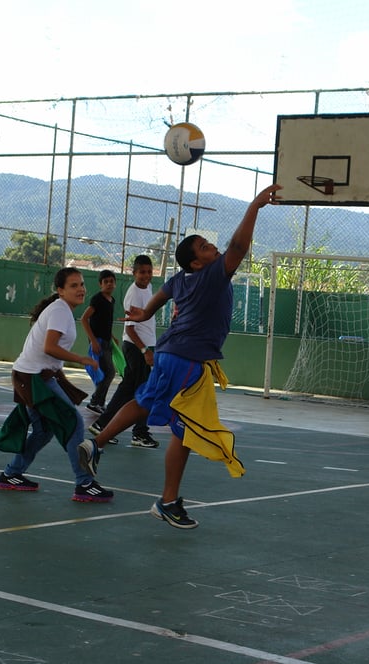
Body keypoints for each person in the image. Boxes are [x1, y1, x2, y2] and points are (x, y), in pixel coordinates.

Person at [78, 184, 282, 529]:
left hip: (171, 354)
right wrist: (255, 206)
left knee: (147, 403)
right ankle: (166, 500)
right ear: (196, 262)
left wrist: (144, 315)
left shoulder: (181, 279)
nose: (212, 247)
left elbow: (161, 295)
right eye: (204, 247)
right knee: (182, 428)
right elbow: (239, 246)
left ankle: (96, 445)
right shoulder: (212, 276)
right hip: (187, 361)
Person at [0, 267, 114, 503]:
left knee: (44, 430)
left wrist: (59, 376)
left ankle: (11, 474)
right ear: (60, 290)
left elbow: (48, 353)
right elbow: (49, 347)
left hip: (33, 375)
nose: (81, 289)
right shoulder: (60, 311)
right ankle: (84, 484)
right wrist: (81, 359)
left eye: (81, 284)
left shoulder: (62, 310)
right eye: (73, 285)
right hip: (32, 377)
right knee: (73, 422)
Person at [89, 255, 159, 449]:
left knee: (128, 389)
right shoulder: (134, 293)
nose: (146, 276)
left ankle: (101, 425)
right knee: (145, 391)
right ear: (134, 272)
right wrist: (145, 350)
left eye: (149, 272)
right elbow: (130, 329)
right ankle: (139, 433)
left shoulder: (149, 288)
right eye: (142, 272)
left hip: (144, 346)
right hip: (136, 347)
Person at [80, 269, 118, 413]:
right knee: (109, 372)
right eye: (106, 282)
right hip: (99, 342)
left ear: (115, 284)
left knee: (106, 372)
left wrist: (112, 336)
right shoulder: (98, 299)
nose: (109, 284)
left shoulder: (111, 300)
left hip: (107, 341)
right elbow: (84, 319)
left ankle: (99, 402)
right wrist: (94, 341)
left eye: (111, 281)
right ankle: (95, 402)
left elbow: (104, 322)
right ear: (100, 284)